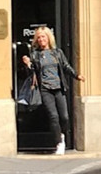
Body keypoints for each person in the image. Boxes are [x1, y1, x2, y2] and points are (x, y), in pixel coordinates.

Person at [21, 27, 85, 155]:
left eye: (43, 37)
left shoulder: (57, 52)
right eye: (39, 37)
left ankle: (62, 135)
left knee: (64, 117)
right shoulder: (35, 55)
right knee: (53, 116)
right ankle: (59, 142)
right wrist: (28, 64)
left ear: (48, 38)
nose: (41, 39)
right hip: (45, 89)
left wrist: (76, 75)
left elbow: (66, 66)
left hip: (58, 88)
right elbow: (32, 72)